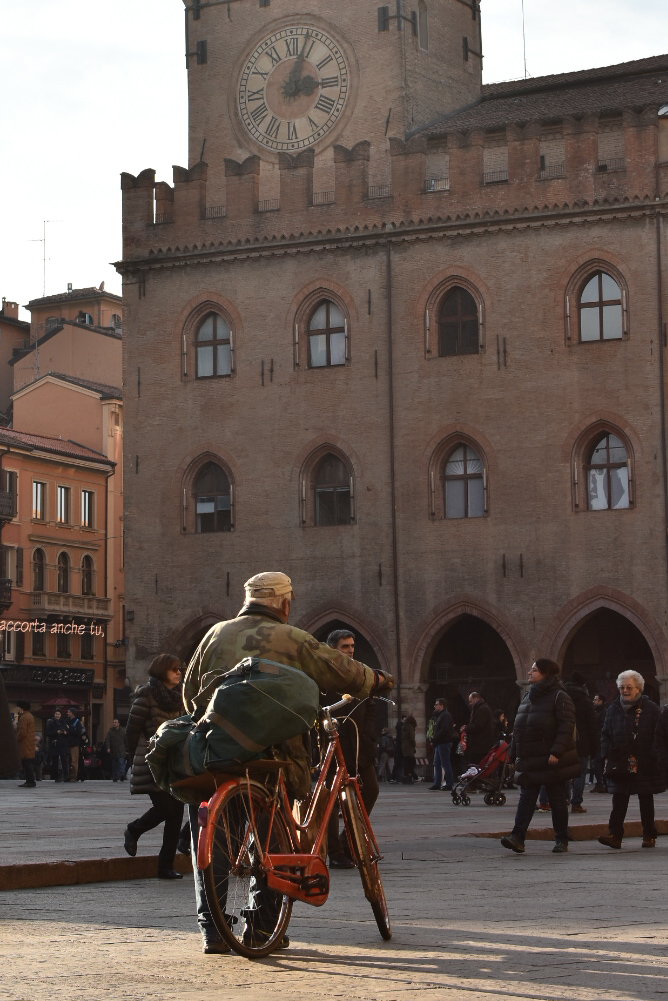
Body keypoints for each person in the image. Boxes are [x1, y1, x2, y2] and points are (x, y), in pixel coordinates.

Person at [182, 571, 394, 955]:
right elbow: (341, 669)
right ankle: (262, 928)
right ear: (283, 603)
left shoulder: (215, 634)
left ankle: (213, 930)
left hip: (219, 753)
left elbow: (190, 693)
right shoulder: (292, 638)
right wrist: (377, 679)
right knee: (273, 836)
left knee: (215, 837)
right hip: (272, 756)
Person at [501, 659, 580, 855]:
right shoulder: (528, 696)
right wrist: (513, 754)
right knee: (526, 799)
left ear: (545, 673)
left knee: (557, 800)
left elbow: (566, 726)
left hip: (549, 759)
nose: (529, 672)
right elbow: (519, 728)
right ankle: (517, 837)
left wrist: (557, 751)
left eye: (534, 670)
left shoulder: (559, 697)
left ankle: (562, 839)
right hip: (530, 759)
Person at [124, 654, 186, 880]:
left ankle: (165, 866)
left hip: (172, 763)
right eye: (174, 669)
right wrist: (134, 759)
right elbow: (131, 731)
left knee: (176, 814)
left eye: (179, 669)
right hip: (151, 761)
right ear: (162, 671)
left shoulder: (180, 697)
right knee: (165, 809)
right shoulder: (146, 696)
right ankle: (134, 829)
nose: (179, 672)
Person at [324, 629, 380, 869]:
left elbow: (370, 707)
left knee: (371, 791)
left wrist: (368, 739)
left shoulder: (359, 673)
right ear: (333, 648)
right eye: (345, 646)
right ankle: (335, 853)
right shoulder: (323, 675)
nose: (350, 650)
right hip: (331, 745)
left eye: (352, 646)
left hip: (359, 746)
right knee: (330, 801)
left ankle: (348, 842)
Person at [598, 670, 664, 850]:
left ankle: (649, 834)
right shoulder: (613, 708)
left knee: (645, 798)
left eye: (629, 687)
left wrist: (653, 755)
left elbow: (658, 735)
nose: (624, 691)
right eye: (621, 687)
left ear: (638, 689)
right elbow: (605, 733)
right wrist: (606, 753)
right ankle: (615, 835)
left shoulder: (651, 709)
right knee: (619, 798)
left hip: (644, 761)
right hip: (619, 760)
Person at [564, 672, 599, 814]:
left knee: (565, 773)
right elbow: (592, 725)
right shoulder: (585, 701)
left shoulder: (563, 698)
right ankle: (576, 803)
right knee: (580, 773)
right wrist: (595, 746)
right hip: (582, 743)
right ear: (583, 685)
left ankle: (564, 799)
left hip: (565, 742)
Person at [428, 699, 455, 790]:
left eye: (436, 704)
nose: (435, 706)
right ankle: (437, 783)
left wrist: (435, 738)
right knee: (437, 763)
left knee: (445, 763)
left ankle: (449, 783)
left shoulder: (445, 715)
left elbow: (444, 729)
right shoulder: (440, 716)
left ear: (442, 705)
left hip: (444, 742)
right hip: (439, 743)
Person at [466, 692, 494, 766]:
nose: (470, 704)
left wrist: (466, 728)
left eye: (471, 701)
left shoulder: (482, 709)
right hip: (480, 745)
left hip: (480, 746)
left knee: (477, 766)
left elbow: (478, 725)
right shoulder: (481, 708)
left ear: (476, 699)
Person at [590, 694, 608, 793]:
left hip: (599, 741)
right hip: (595, 741)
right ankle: (600, 783)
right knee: (596, 763)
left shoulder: (603, 712)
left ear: (601, 701)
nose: (594, 701)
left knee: (598, 762)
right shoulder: (596, 712)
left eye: (595, 699)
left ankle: (602, 783)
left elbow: (603, 727)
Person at [15, 701, 36, 788]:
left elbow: (22, 732)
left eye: (18, 707)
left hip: (24, 743)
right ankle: (30, 780)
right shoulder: (30, 716)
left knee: (26, 763)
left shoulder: (23, 717)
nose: (18, 708)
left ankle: (30, 781)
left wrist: (16, 739)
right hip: (29, 742)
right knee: (28, 762)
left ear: (22, 708)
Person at [46, 709, 70, 781]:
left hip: (62, 743)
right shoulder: (51, 722)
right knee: (55, 761)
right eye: (56, 714)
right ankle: (55, 777)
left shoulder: (63, 722)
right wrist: (56, 732)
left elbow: (67, 731)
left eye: (59, 714)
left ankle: (66, 776)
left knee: (64, 760)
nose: (57, 716)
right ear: (54, 714)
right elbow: (48, 733)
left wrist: (65, 732)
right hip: (54, 743)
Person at [65, 708, 83, 781]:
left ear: (73, 713)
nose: (67, 713)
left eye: (69, 712)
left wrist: (69, 729)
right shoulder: (66, 721)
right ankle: (67, 776)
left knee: (74, 761)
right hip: (67, 743)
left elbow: (78, 733)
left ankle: (73, 777)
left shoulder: (77, 722)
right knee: (66, 761)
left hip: (74, 744)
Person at [401, 714, 417, 783]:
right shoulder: (410, 727)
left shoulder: (403, 726)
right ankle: (412, 776)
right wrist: (414, 744)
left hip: (404, 746)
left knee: (407, 762)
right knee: (412, 762)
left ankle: (406, 776)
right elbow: (412, 738)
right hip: (409, 747)